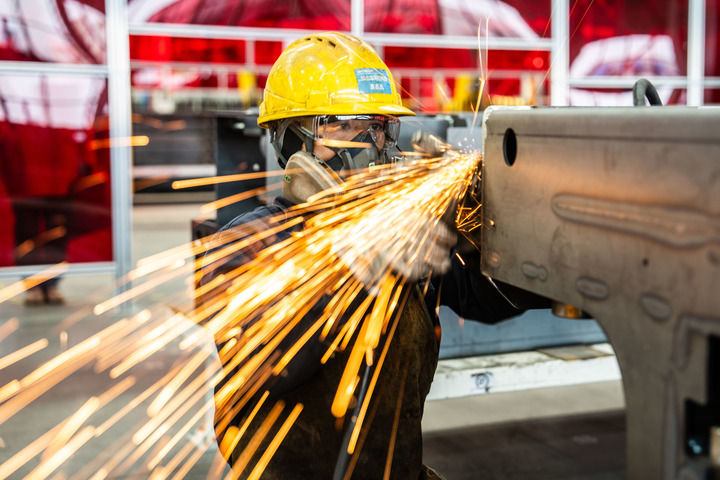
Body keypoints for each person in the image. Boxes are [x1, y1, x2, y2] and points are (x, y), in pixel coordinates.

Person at [203, 32, 529, 480]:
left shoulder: (406, 236)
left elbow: (493, 301)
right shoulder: (248, 242)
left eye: (377, 127)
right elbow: (263, 361)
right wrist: (353, 266)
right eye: (343, 126)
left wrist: (480, 226)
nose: (370, 144)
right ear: (289, 140)